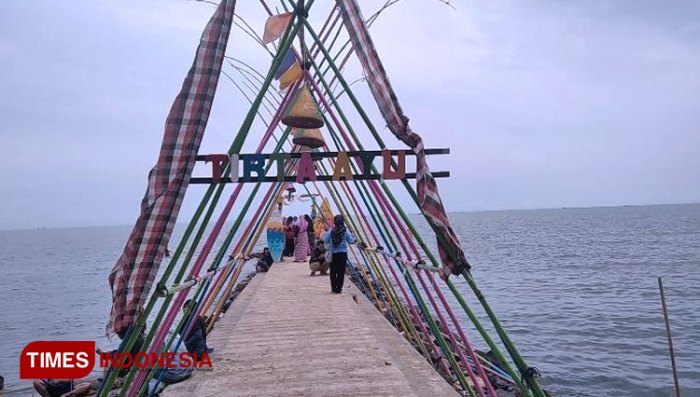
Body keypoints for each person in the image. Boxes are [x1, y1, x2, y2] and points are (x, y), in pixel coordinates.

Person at [323, 214, 357, 294]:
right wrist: (354, 237)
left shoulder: (331, 231)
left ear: (335, 222)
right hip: (343, 253)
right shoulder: (345, 231)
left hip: (333, 253)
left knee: (333, 271)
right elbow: (351, 241)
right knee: (341, 271)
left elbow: (325, 240)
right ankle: (339, 289)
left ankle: (333, 288)